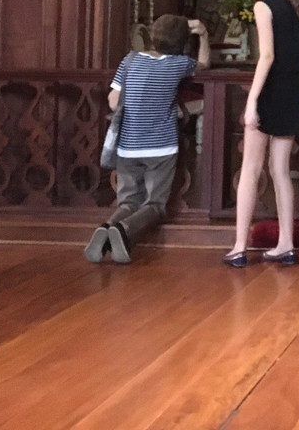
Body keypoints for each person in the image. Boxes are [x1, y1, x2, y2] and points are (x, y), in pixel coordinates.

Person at [84, 15, 210, 264]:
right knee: (154, 204)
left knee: (129, 200)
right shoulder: (179, 64)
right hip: (161, 146)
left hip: (128, 144)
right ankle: (122, 230)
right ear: (183, 43)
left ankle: (108, 226)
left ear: (152, 36)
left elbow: (112, 99)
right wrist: (203, 34)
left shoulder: (130, 60)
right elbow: (204, 63)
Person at [223, 0, 299, 268]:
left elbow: (266, 57)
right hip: (292, 93)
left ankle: (239, 246)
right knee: (280, 172)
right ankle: (286, 244)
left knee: (251, 169)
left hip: (269, 92)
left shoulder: (264, 7)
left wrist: (251, 102)